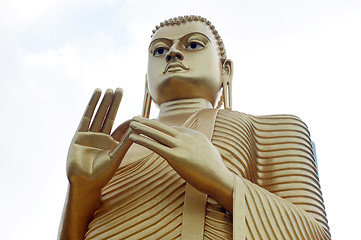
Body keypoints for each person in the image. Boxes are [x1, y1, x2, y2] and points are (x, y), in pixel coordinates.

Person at [59, 15, 331, 239]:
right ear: (146, 79)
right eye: (160, 50)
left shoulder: (272, 128)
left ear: (225, 70)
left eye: (193, 45)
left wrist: (222, 182)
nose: (173, 54)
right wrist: (81, 192)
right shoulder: (110, 144)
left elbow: (314, 234)